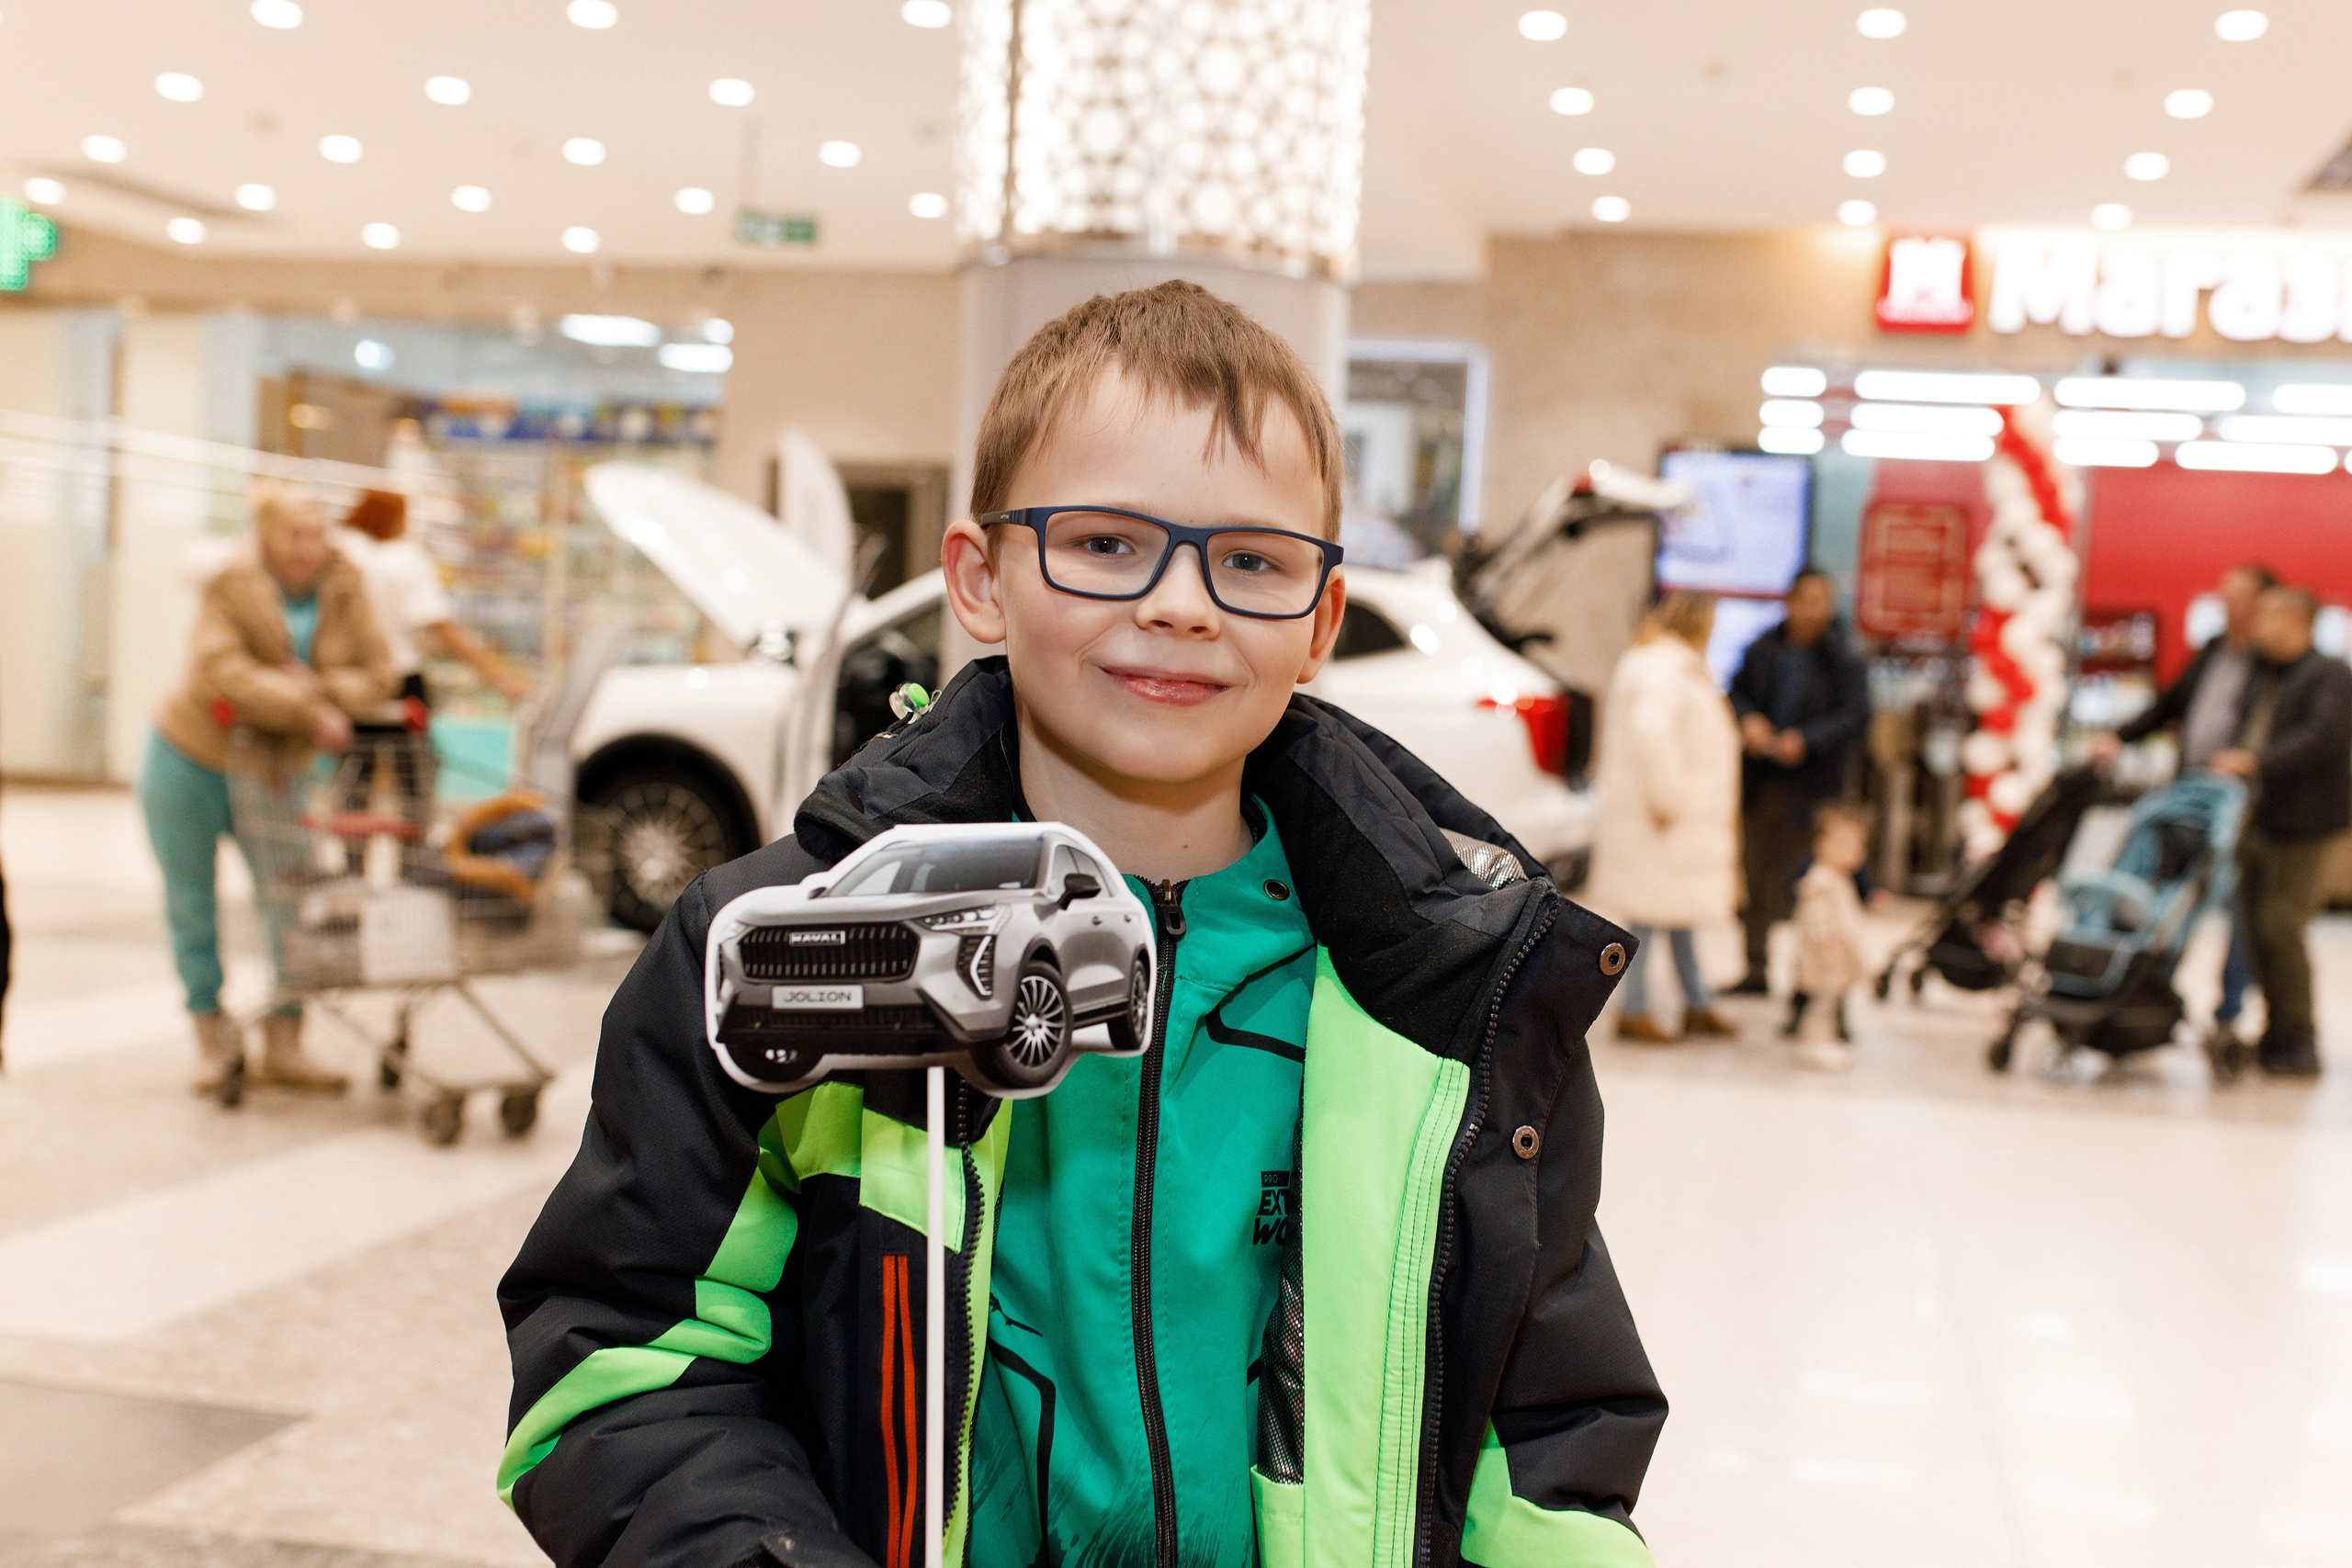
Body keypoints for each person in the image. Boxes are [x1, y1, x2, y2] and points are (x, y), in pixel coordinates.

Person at [498, 282, 1666, 1568]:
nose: (1180, 602)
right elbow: (620, 1364)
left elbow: (1548, 1433)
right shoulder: (772, 947)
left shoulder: (1458, 996)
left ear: (1321, 621)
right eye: (1106, 543)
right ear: (981, 578)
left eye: (1254, 561)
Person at [143, 483, 391, 1093]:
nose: (307, 548)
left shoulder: (345, 584)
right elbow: (218, 671)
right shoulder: (232, 581)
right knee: (191, 903)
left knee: (289, 903)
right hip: (191, 755)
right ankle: (212, 1040)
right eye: (293, 534)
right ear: (266, 535)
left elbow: (379, 672)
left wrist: (314, 681)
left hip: (273, 769)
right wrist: (311, 707)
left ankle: (285, 1041)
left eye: (316, 533)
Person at [2093, 563, 2276, 1030]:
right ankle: (2144, 990)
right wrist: (2120, 736)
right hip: (2186, 793)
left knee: (2237, 907)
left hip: (2240, 804)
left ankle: (2228, 1010)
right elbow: (2170, 704)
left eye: (2238, 596)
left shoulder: (2275, 664)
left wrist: (2250, 760)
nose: (2227, 604)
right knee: (2164, 899)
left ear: (2262, 603)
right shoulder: (2214, 649)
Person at [2207, 585, 2351, 1078]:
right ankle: (2273, 1034)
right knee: (2254, 929)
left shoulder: (2329, 673)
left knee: (2280, 927)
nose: (2258, 623)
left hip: (2306, 826)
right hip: (2258, 820)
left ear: (2298, 622)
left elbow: (2322, 738)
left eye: (2269, 615)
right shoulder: (2263, 675)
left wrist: (2255, 762)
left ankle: (2297, 1037)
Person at [336, 489, 526, 863]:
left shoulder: (345, 555)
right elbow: (441, 626)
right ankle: (413, 872)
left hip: (354, 687)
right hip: (403, 684)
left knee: (355, 784)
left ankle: (351, 872)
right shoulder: (403, 560)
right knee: (414, 788)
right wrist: (499, 676)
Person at [1590, 590, 1740, 1042]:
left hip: (1672, 817)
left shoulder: (1668, 664)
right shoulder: (1662, 668)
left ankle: (1696, 999)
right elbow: (1650, 730)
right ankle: (1635, 1006)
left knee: (1675, 909)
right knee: (1650, 912)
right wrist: (1668, 796)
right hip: (1663, 815)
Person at [1724, 569, 1871, 995]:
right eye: (1804, 599)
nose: (1812, 609)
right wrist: (1749, 720)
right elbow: (1736, 693)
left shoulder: (1844, 659)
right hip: (1762, 784)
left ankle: (1810, 980)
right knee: (1755, 880)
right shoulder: (1762, 650)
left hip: (1815, 789)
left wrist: (1806, 740)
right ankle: (1755, 967)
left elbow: (1855, 718)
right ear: (1789, 601)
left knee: (1811, 887)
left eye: (1821, 600)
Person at [1787, 803, 1872, 1073]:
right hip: (1824, 956)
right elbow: (1817, 918)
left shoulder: (1840, 878)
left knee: (1831, 1004)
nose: (1852, 853)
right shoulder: (1821, 879)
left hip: (1837, 956)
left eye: (1857, 846)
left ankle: (1828, 1042)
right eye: (1843, 845)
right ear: (1820, 845)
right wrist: (1826, 944)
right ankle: (1816, 1045)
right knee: (1821, 1007)